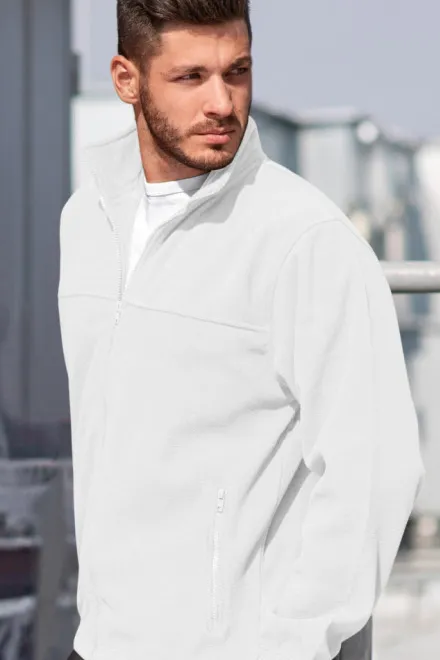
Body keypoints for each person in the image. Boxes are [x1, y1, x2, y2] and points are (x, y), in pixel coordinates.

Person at [58, 2, 425, 660]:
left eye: (238, 71)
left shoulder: (306, 241)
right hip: (101, 643)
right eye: (191, 77)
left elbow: (371, 471)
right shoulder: (86, 222)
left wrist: (293, 645)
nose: (223, 103)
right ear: (126, 79)